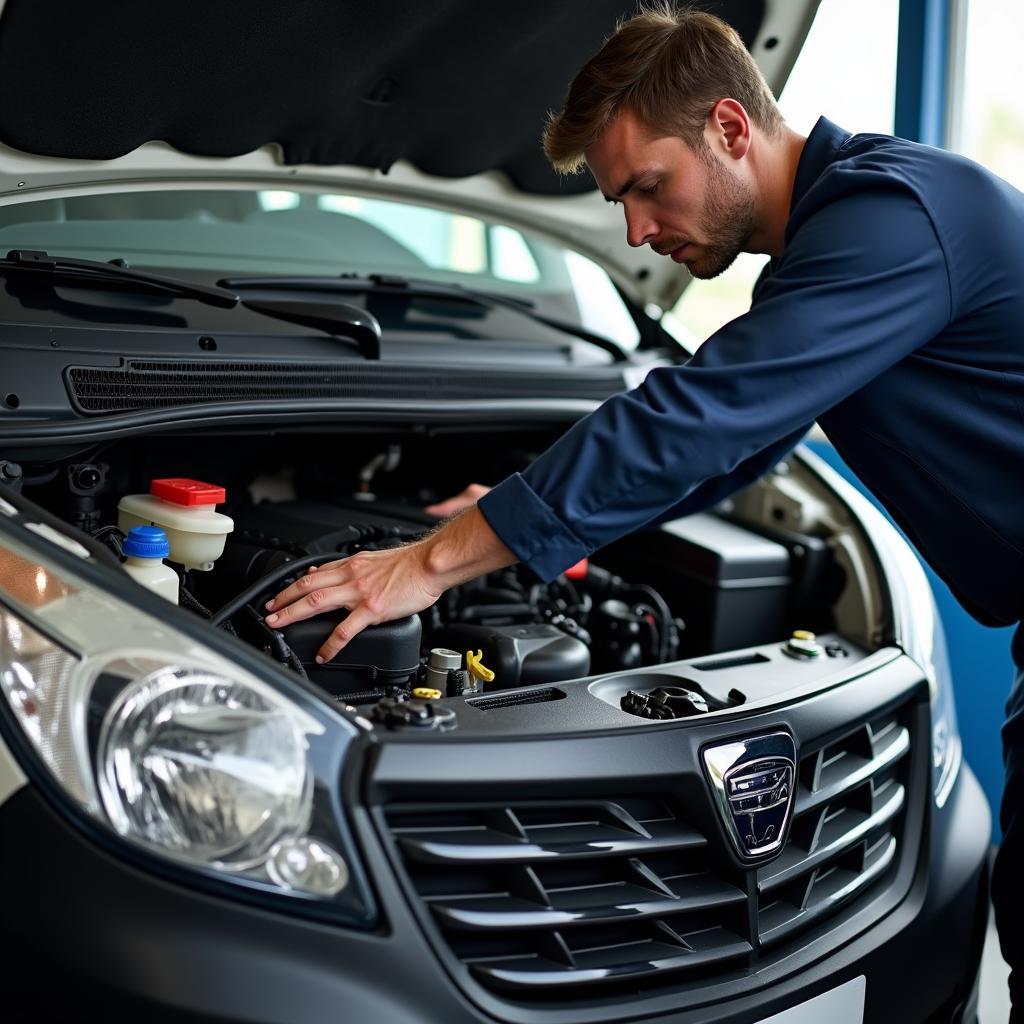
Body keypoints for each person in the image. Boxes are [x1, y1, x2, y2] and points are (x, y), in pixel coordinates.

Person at [264, 4, 1024, 1011]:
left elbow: (705, 413)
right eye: (618, 203)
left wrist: (431, 564)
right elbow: (738, 440)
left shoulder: (892, 221)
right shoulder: (844, 238)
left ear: (730, 128)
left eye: (646, 189)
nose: (634, 229)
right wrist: (516, 511)